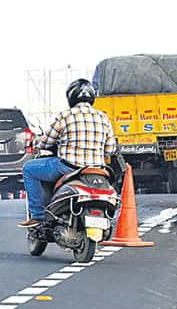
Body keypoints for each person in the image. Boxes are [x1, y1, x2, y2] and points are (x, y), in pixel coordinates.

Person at [20, 79, 117, 228]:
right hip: (97, 169)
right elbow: (110, 149)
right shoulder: (103, 117)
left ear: (71, 97)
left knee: (28, 169)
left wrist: (38, 143)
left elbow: (46, 143)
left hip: (68, 168)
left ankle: (37, 216)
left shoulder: (65, 116)